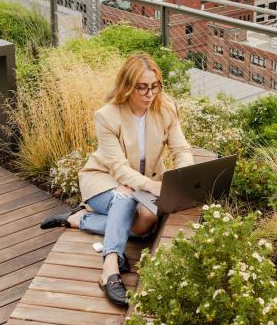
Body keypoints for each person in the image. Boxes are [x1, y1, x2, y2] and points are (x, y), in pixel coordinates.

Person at [41, 53, 194, 306]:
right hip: (104, 180)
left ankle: (81, 219)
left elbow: (181, 150)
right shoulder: (107, 116)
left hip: (143, 184)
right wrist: (151, 186)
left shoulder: (166, 108)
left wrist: (183, 176)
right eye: (142, 87)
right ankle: (110, 269)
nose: (149, 94)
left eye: (154, 86)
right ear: (127, 86)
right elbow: (119, 169)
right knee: (125, 194)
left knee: (147, 224)